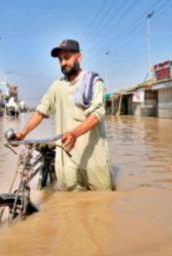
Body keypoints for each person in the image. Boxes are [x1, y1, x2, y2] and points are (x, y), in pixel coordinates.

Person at [14, 39, 114, 191]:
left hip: (94, 161)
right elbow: (41, 111)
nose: (62, 63)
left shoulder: (94, 83)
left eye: (67, 58)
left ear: (78, 57)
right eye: (60, 60)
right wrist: (22, 133)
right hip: (68, 164)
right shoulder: (57, 87)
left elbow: (96, 115)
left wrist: (73, 133)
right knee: (71, 210)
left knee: (102, 205)